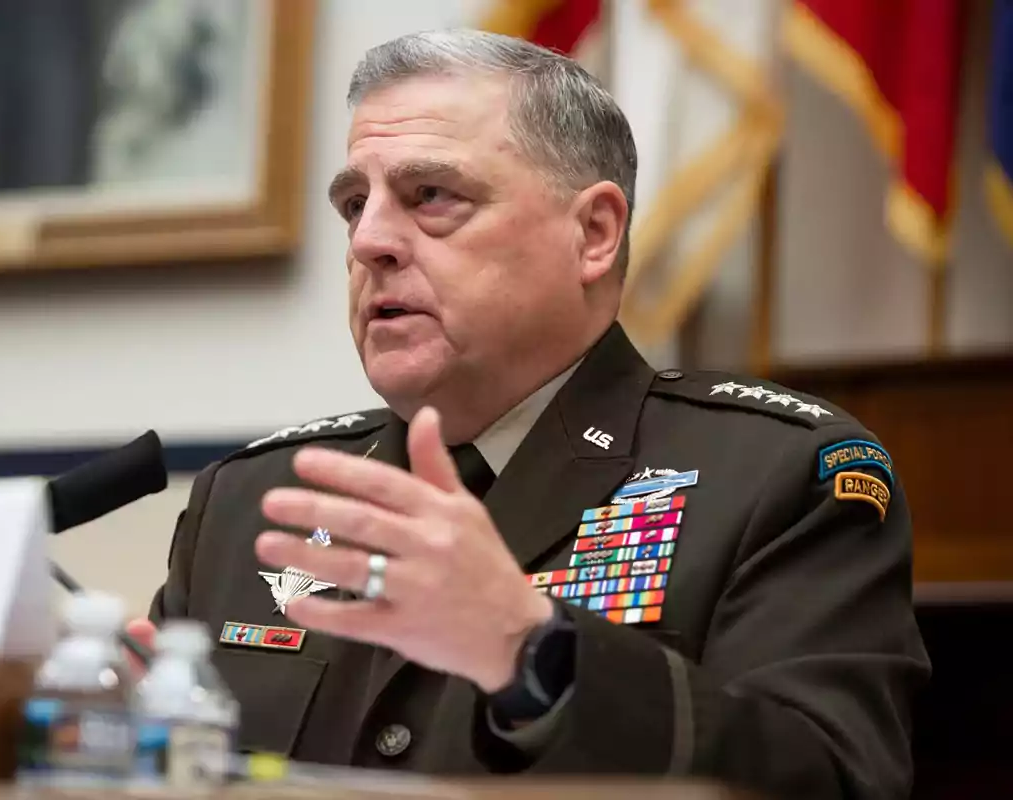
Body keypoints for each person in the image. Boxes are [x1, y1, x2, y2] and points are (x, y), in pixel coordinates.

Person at [146, 29, 929, 799]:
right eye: (356, 203)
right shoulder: (248, 502)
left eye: (431, 196)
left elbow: (829, 779)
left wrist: (535, 651)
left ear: (593, 234)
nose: (370, 240)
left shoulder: (777, 477)